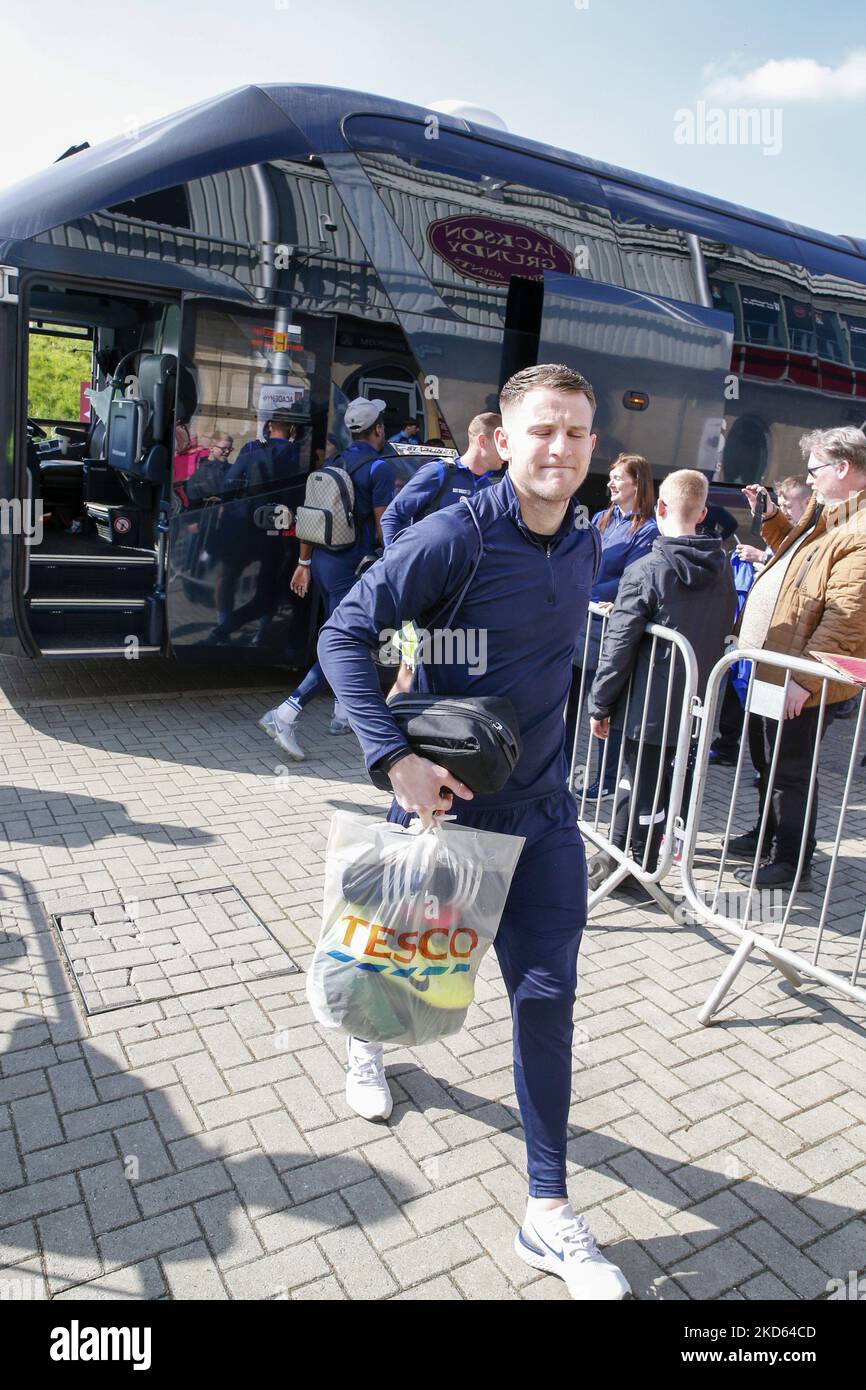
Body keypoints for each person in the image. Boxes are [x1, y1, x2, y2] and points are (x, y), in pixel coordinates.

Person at [317, 363, 631, 1301]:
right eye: (544, 431)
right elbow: (345, 634)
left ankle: (547, 1211)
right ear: (504, 436)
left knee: (546, 998)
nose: (561, 450)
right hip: (441, 807)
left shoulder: (584, 540)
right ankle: (365, 1047)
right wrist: (394, 762)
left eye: (577, 433)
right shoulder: (457, 533)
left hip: (544, 819)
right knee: (393, 977)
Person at [584, 471, 736, 897]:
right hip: (694, 703)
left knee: (637, 784)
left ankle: (630, 862)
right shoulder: (722, 569)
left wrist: (601, 704)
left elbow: (618, 645)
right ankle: (640, 856)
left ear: (661, 508)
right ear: (704, 512)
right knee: (668, 784)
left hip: (647, 706)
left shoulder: (646, 569)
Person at [730, 427, 866, 888]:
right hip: (780, 665)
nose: (809, 481)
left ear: (843, 469)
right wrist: (771, 518)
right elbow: (797, 564)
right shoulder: (830, 514)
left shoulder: (860, 528)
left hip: (801, 676)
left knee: (791, 769)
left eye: (815, 470)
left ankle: (791, 861)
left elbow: (846, 620)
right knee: (770, 762)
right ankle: (768, 835)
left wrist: (805, 682)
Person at [257, 397, 396, 759]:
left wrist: (303, 563)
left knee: (340, 634)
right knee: (344, 643)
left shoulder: (334, 462)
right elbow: (383, 525)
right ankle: (285, 713)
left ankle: (341, 714)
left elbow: (311, 517)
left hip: (323, 561)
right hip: (353, 565)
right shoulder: (378, 469)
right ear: (378, 428)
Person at [564, 453, 658, 791]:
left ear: (637, 483)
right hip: (583, 624)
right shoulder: (603, 518)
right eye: (612, 477)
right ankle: (559, 771)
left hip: (610, 629)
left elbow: (632, 579)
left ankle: (604, 779)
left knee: (603, 704)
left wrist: (588, 595)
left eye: (618, 477)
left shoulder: (647, 529)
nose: (610, 483)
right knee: (571, 703)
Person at [710, 474, 814, 764]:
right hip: (757, 638)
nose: (782, 509)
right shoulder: (786, 533)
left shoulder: (811, 539)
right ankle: (749, 759)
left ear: (807, 503)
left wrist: (760, 559)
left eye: (786, 505)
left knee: (770, 723)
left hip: (780, 648)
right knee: (748, 706)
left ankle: (766, 770)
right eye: (778, 504)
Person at [380, 412, 504, 546]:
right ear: (483, 441)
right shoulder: (439, 472)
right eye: (502, 443)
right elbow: (392, 517)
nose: (508, 451)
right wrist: (399, 560)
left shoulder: (489, 487)